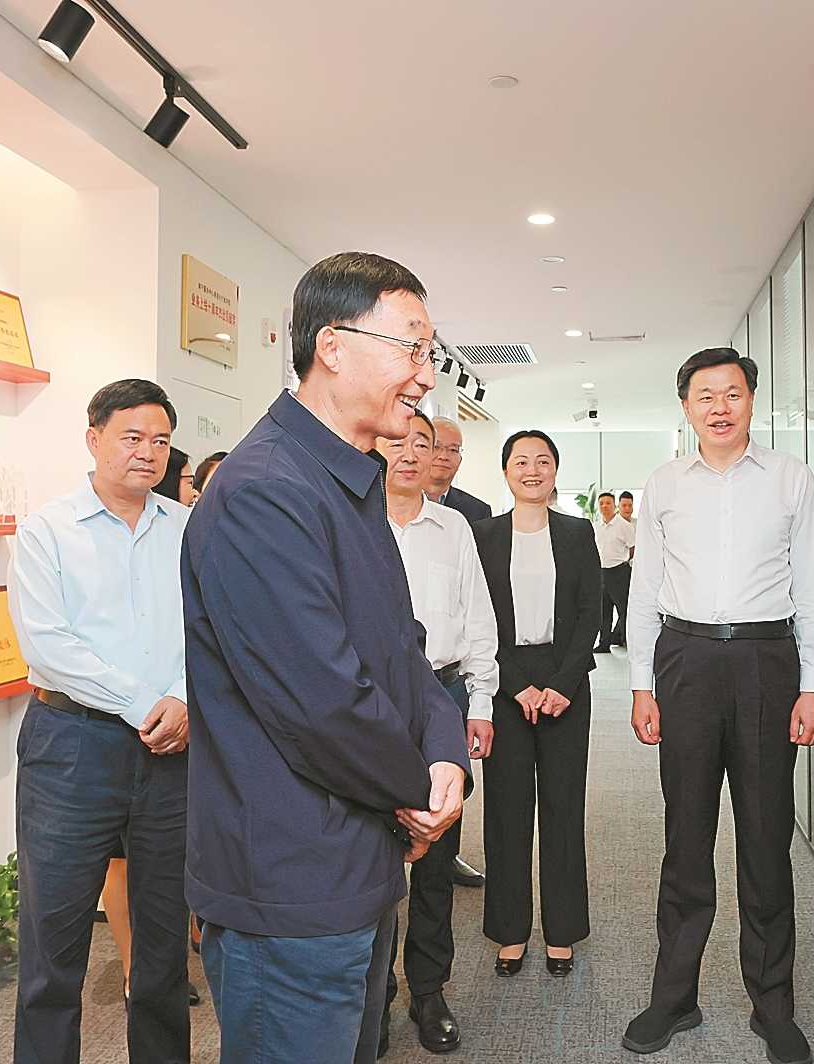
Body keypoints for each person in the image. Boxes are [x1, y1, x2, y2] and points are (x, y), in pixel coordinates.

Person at [181, 252, 471, 1064]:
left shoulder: (348, 478)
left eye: (430, 354)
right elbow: (322, 703)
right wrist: (417, 793)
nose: (425, 377)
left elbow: (404, 649)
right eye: (411, 348)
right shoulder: (266, 489)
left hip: (358, 857)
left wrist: (445, 755)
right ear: (331, 347)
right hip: (290, 878)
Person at [623, 348, 814, 1063]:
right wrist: (641, 684)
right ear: (686, 407)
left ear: (751, 400)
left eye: (732, 393)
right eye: (705, 396)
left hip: (766, 662)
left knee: (766, 840)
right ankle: (673, 999)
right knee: (685, 838)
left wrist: (813, 685)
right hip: (684, 660)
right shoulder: (664, 484)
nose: (719, 407)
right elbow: (643, 589)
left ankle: (773, 1007)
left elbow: (812, 587)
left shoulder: (789, 478)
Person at [7, 378, 192, 1064]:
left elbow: (210, 629)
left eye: (161, 441)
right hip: (72, 745)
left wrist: (184, 698)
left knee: (163, 940)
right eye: (132, 437)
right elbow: (48, 646)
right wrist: (146, 703)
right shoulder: (48, 530)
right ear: (94, 439)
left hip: (172, 747)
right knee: (53, 944)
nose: (148, 452)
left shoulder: (188, 529)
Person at [376, 411, 499, 1056]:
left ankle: (429, 988)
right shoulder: (350, 521)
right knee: (371, 848)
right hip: (371, 704)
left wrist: (480, 701)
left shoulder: (454, 529)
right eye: (395, 441)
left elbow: (478, 618)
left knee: (435, 850)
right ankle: (373, 993)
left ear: (434, 457)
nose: (407, 453)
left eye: (420, 444)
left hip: (444, 695)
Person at [471, 430, 601, 980]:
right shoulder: (483, 535)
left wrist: (564, 682)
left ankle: (562, 930)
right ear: (505, 472)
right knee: (506, 810)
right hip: (505, 680)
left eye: (542, 461)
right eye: (521, 461)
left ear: (555, 471)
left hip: (565, 680)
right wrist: (514, 684)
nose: (532, 470)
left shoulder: (577, 532)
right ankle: (510, 930)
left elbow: (591, 611)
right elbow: (477, 615)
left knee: (563, 808)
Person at [426, 414, 492, 888]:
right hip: (395, 675)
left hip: (449, 673)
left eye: (454, 450)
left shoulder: (472, 514)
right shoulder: (372, 507)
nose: (445, 457)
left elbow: (479, 599)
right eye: (437, 447)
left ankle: (445, 858)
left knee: (451, 775)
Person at [593, 490, 636, 653]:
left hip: (620, 572)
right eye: (601, 503)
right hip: (602, 573)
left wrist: (624, 560)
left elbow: (633, 548)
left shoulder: (624, 526)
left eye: (608, 503)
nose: (604, 506)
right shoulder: (596, 526)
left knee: (624, 610)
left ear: (614, 506)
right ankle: (604, 644)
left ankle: (628, 642)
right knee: (604, 611)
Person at [427, 417, 493, 522]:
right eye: (436, 447)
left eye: (453, 450)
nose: (443, 456)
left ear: (460, 460)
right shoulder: (399, 500)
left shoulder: (478, 511)